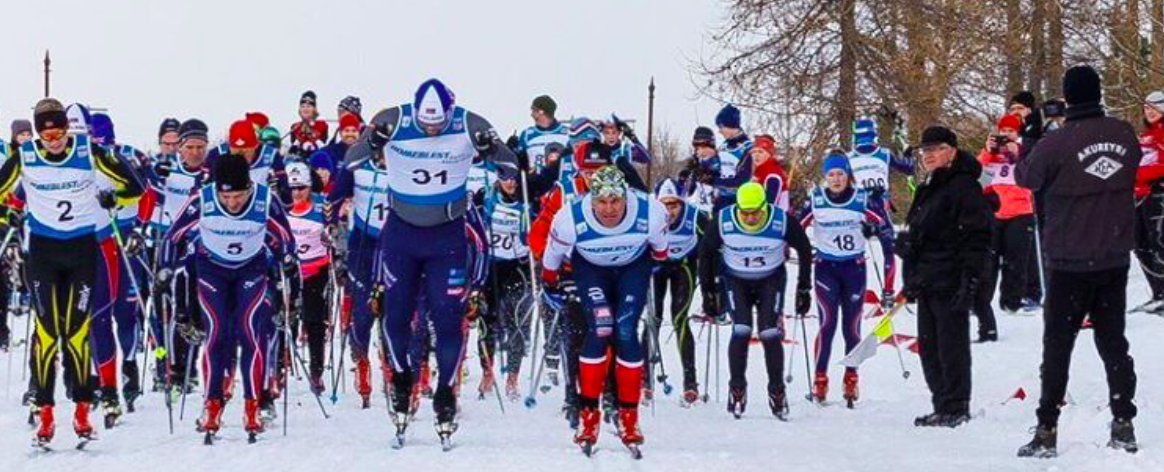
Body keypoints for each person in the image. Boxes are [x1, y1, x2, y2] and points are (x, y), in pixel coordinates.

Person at [346, 78, 517, 445]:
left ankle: (444, 395)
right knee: (395, 313)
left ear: (450, 112)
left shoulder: (470, 122)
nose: (432, 129)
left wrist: (491, 150)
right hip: (401, 235)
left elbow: (512, 168)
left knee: (447, 317)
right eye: (426, 124)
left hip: (447, 236)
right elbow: (351, 161)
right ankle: (402, 379)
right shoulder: (393, 118)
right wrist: (373, 141)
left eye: (438, 124)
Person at [0, 98, 144, 446]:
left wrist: (115, 199)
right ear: (38, 133)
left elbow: (134, 186)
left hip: (82, 250)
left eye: (59, 132)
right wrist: (9, 218)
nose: (54, 140)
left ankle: (82, 411)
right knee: (47, 332)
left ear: (67, 129)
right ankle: (45, 415)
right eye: (46, 134)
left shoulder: (88, 150)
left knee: (78, 331)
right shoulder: (25, 156)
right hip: (45, 254)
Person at [1015, 65, 1141, 458]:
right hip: (1113, 254)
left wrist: (1030, 139)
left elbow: (1026, 178)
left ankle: (1047, 428)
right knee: (1113, 341)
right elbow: (1131, 164)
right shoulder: (1124, 133)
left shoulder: (1058, 142)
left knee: (1057, 346)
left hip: (1069, 258)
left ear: (1067, 98)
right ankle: (1123, 421)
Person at [160, 153, 296, 444]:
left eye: (238, 195)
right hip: (212, 271)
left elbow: (285, 236)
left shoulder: (264, 199)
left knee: (250, 333)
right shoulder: (203, 199)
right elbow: (173, 236)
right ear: (217, 189)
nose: (233, 203)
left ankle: (251, 406)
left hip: (251, 269)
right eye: (227, 197)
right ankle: (211, 405)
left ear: (248, 187)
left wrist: (287, 260)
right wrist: (165, 270)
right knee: (216, 333)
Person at [540, 165, 667, 455]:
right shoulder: (569, 218)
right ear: (590, 199)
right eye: (601, 202)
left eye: (615, 201)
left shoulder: (651, 212)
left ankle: (629, 418)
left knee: (624, 330)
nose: (609, 209)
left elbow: (661, 252)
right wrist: (550, 284)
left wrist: (652, 265)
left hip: (632, 267)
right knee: (601, 327)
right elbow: (552, 257)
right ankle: (588, 416)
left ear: (626, 197)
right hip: (591, 269)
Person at [897, 125, 991, 429]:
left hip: (951, 277)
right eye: (925, 151)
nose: (928, 155)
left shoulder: (963, 185)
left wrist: (971, 280)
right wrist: (908, 249)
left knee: (951, 347)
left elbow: (978, 236)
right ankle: (942, 403)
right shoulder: (930, 184)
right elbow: (920, 228)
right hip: (927, 277)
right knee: (930, 346)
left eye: (935, 149)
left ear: (951, 151)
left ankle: (956, 404)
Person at [700, 182, 812, 419]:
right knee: (741, 329)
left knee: (769, 332)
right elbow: (706, 253)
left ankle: (777, 390)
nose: (750, 218)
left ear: (765, 207)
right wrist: (709, 292)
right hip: (735, 279)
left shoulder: (781, 220)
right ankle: (737, 388)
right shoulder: (723, 221)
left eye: (756, 212)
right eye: (745, 212)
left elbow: (804, 248)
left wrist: (804, 287)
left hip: (770, 279)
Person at [799, 151, 892, 405]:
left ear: (848, 175)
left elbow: (886, 234)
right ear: (825, 177)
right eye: (831, 175)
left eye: (841, 174)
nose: (836, 179)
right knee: (827, 324)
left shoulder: (862, 199)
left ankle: (851, 378)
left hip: (854, 269)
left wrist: (873, 229)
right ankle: (820, 379)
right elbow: (796, 229)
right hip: (826, 269)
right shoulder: (816, 200)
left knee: (851, 327)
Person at [87, 112, 155, 421]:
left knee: (125, 312)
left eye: (102, 139)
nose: (100, 145)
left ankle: (128, 364)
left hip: (125, 236)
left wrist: (140, 229)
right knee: (95, 311)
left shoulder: (128, 156)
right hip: (98, 238)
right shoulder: (81, 159)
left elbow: (147, 194)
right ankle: (99, 375)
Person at [326, 133, 391, 408]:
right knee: (362, 311)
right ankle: (361, 361)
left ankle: (391, 367)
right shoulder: (359, 165)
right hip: (363, 245)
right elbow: (334, 196)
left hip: (394, 246)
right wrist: (329, 222)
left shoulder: (406, 169)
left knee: (393, 310)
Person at [148, 118, 209, 392]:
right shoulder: (167, 170)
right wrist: (155, 180)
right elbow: (147, 200)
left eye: (201, 147)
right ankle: (167, 364)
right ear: (180, 148)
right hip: (170, 245)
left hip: (199, 248)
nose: (195, 152)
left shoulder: (211, 176)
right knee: (165, 308)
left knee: (193, 309)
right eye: (190, 147)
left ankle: (188, 367)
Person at [647, 178, 709, 405]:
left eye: (674, 205)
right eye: (665, 204)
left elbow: (711, 243)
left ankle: (690, 383)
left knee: (680, 319)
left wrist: (712, 280)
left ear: (681, 204)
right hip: (657, 268)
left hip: (684, 266)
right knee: (652, 319)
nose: (669, 211)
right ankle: (645, 379)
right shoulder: (650, 216)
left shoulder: (694, 216)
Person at [475, 173, 535, 400]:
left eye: (514, 179)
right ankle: (487, 371)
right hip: (491, 267)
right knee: (487, 321)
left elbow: (533, 237)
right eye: (505, 178)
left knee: (517, 323)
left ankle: (512, 376)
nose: (510, 183)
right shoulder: (489, 199)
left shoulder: (526, 202)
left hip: (516, 268)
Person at [978, 114, 1037, 328]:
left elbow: (1035, 173)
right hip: (994, 213)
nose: (1006, 135)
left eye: (1010, 131)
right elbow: (977, 177)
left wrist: (1017, 153)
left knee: (1016, 261)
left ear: (1018, 132)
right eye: (1003, 131)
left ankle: (1011, 301)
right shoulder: (993, 153)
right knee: (987, 261)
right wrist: (988, 151)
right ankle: (981, 303)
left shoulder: (1027, 148)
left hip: (1020, 212)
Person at [285, 162, 330, 393]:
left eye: (301, 187)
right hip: (290, 272)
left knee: (314, 322)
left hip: (316, 270)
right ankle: (280, 366)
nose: (297, 193)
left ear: (310, 186)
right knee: (285, 318)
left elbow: (335, 232)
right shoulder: (281, 208)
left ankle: (316, 371)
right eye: (293, 188)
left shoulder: (322, 206)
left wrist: (332, 240)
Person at [1131, 90, 1164, 314]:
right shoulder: (1145, 135)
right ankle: (1157, 292)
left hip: (1158, 194)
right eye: (1146, 107)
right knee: (1139, 243)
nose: (1149, 111)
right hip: (1139, 196)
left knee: (1158, 243)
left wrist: (1138, 174)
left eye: (1154, 107)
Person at [517, 95, 570, 177]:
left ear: (541, 111)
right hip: (537, 185)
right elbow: (519, 162)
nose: (531, 114)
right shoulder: (527, 135)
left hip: (562, 182)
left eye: (533, 110)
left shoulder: (567, 133)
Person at [678, 126, 720, 212]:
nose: (701, 151)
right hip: (699, 210)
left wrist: (710, 176)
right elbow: (686, 192)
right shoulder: (693, 164)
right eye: (697, 148)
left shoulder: (721, 161)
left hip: (717, 209)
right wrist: (685, 178)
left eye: (704, 147)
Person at [750, 134, 789, 210]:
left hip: (774, 218)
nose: (756, 155)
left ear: (769, 155)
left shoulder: (772, 175)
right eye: (754, 152)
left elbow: (770, 205)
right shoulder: (759, 172)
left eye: (760, 152)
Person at [290, 90, 329, 157]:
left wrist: (312, 135)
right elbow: (292, 149)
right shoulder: (295, 126)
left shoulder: (322, 125)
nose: (305, 109)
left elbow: (324, 146)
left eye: (308, 106)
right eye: (303, 106)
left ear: (314, 109)